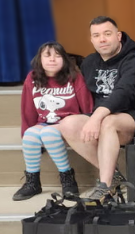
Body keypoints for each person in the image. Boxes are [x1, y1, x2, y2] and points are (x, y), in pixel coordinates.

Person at [58, 16, 135, 201]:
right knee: (68, 124)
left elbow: (123, 93)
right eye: (96, 35)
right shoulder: (89, 63)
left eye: (107, 34)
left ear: (118, 36)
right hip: (103, 116)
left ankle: (105, 185)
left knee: (108, 122)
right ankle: (115, 175)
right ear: (92, 40)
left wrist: (95, 118)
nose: (102, 39)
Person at [14, 42, 94, 200]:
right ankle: (33, 182)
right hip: (45, 122)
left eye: (57, 56)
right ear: (40, 59)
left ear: (64, 59)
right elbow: (28, 110)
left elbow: (87, 105)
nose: (52, 59)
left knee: (49, 133)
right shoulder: (32, 78)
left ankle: (68, 179)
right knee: (30, 135)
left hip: (69, 123)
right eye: (47, 55)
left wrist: (87, 126)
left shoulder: (74, 76)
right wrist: (26, 132)